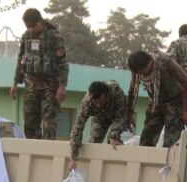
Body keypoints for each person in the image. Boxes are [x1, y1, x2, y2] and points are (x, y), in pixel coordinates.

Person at [10, 8, 69, 140]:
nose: (31, 29)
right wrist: (14, 83)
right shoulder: (26, 37)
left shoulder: (54, 37)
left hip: (50, 87)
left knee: (49, 125)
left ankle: (48, 156)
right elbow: (20, 60)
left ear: (40, 22)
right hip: (31, 86)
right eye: (28, 27)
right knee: (30, 125)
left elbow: (63, 63)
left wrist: (62, 86)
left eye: (33, 26)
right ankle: (35, 156)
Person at [127, 50, 187, 148]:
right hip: (155, 102)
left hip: (174, 101)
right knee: (146, 141)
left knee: (171, 143)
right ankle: (147, 162)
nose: (142, 75)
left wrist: (186, 109)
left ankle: (169, 163)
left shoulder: (166, 62)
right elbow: (132, 91)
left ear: (149, 62)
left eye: (143, 72)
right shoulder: (137, 71)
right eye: (139, 73)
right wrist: (129, 113)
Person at [68, 80, 127, 171]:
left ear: (106, 94)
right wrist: (73, 157)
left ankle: (114, 169)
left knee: (114, 142)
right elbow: (78, 128)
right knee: (95, 139)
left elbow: (121, 115)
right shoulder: (87, 102)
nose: (99, 105)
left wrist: (113, 135)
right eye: (96, 103)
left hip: (116, 114)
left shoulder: (115, 91)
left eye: (101, 101)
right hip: (100, 117)